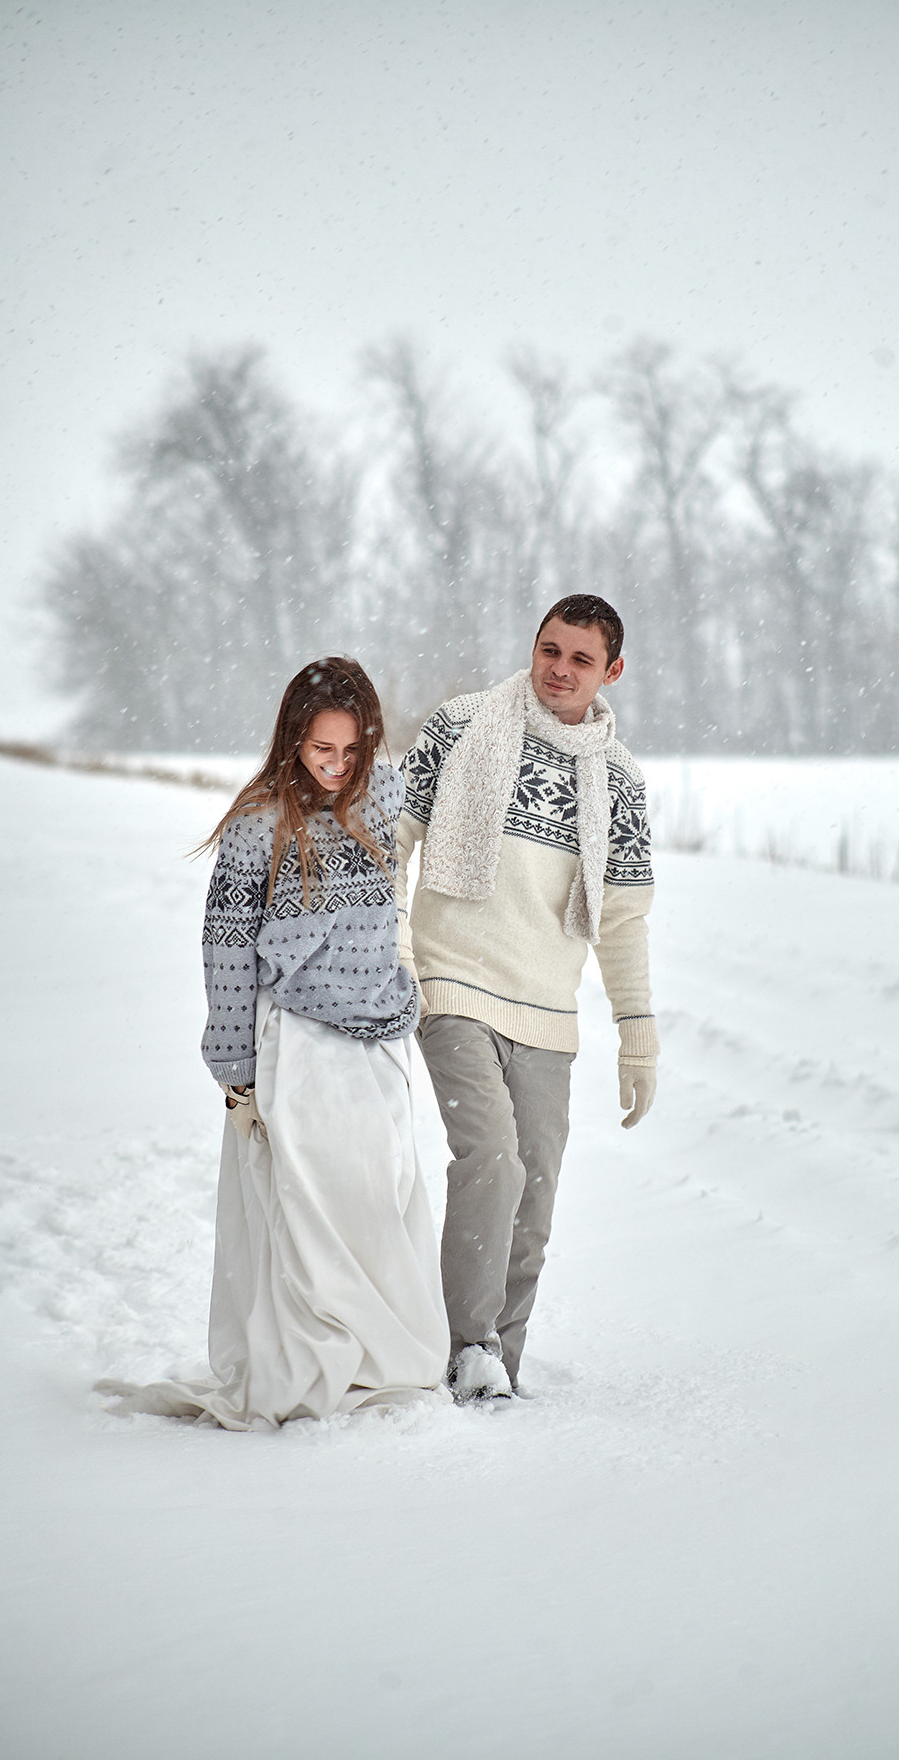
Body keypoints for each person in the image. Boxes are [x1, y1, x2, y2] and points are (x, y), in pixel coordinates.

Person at [97, 657, 450, 1428]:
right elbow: (224, 948)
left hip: (378, 1034)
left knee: (380, 1196)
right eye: (321, 749)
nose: (337, 765)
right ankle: (315, 1363)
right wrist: (236, 1071)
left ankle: (382, 1359)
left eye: (352, 750)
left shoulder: (385, 793)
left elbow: (404, 886)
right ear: (292, 739)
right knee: (311, 1210)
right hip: (298, 1037)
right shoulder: (258, 824)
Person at [397, 595, 658, 1403]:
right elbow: (389, 840)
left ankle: (498, 1365)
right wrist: (400, 951)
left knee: (535, 1193)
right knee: (493, 1161)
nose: (559, 669)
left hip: (546, 1010)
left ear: (611, 671)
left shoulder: (619, 779)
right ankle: (467, 1349)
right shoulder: (460, 726)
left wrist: (637, 1035)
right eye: (550, 649)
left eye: (581, 659)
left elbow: (623, 918)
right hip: (451, 982)